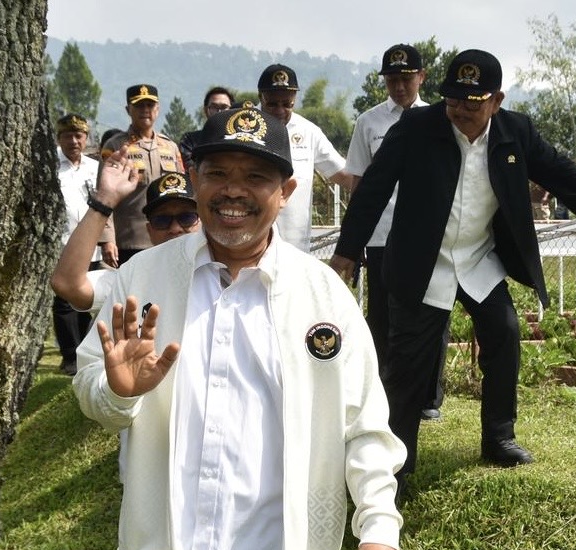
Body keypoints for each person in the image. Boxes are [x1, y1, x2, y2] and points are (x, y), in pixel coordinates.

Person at [73, 106, 405, 550]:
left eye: (255, 177)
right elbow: (93, 389)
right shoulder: (143, 277)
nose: (233, 191)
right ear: (194, 179)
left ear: (287, 191)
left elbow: (364, 426)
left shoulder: (322, 295)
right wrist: (119, 393)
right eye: (218, 172)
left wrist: (378, 526)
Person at [332, 49, 576, 489]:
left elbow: (559, 171)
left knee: (505, 334)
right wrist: (347, 250)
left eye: (473, 103)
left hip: (478, 258)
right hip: (423, 261)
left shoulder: (515, 132)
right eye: (453, 100)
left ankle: (499, 437)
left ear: (496, 101)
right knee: (408, 365)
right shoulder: (415, 127)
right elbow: (373, 188)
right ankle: (398, 461)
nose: (460, 111)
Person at [345, 43, 447, 420]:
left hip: (429, 236)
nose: (399, 87)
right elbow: (358, 183)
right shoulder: (368, 122)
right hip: (381, 235)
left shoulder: (442, 119)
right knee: (382, 317)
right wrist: (354, 237)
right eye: (392, 80)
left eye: (406, 79)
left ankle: (429, 398)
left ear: (421, 77)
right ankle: (383, 393)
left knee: (433, 313)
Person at [51, 150, 200, 314]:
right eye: (162, 220)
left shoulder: (219, 272)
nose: (175, 228)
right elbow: (67, 284)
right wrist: (104, 200)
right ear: (150, 230)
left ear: (202, 222)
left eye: (187, 218)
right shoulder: (133, 278)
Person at [256, 63, 352, 252]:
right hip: (248, 246)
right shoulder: (243, 128)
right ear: (261, 97)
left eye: (287, 104)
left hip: (295, 248)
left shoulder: (309, 132)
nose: (280, 111)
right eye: (272, 104)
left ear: (295, 99)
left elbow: (344, 175)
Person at [53, 112, 115, 375]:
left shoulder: (94, 167)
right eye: (68, 136)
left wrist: (108, 240)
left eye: (78, 136)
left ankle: (84, 351)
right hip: (62, 241)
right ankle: (69, 355)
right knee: (64, 301)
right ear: (59, 138)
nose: (74, 142)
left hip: (92, 243)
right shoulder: (51, 166)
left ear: (86, 138)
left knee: (87, 296)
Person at [100, 84, 185, 264]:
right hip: (130, 240)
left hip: (168, 236)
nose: (145, 110)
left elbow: (182, 192)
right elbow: (104, 195)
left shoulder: (170, 147)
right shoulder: (115, 146)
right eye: (139, 105)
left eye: (150, 105)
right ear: (128, 110)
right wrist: (108, 239)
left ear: (158, 109)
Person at [178, 86, 235, 169]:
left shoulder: (238, 142)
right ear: (205, 110)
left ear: (233, 111)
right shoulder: (190, 140)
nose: (219, 112)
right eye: (214, 107)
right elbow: (189, 167)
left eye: (224, 107)